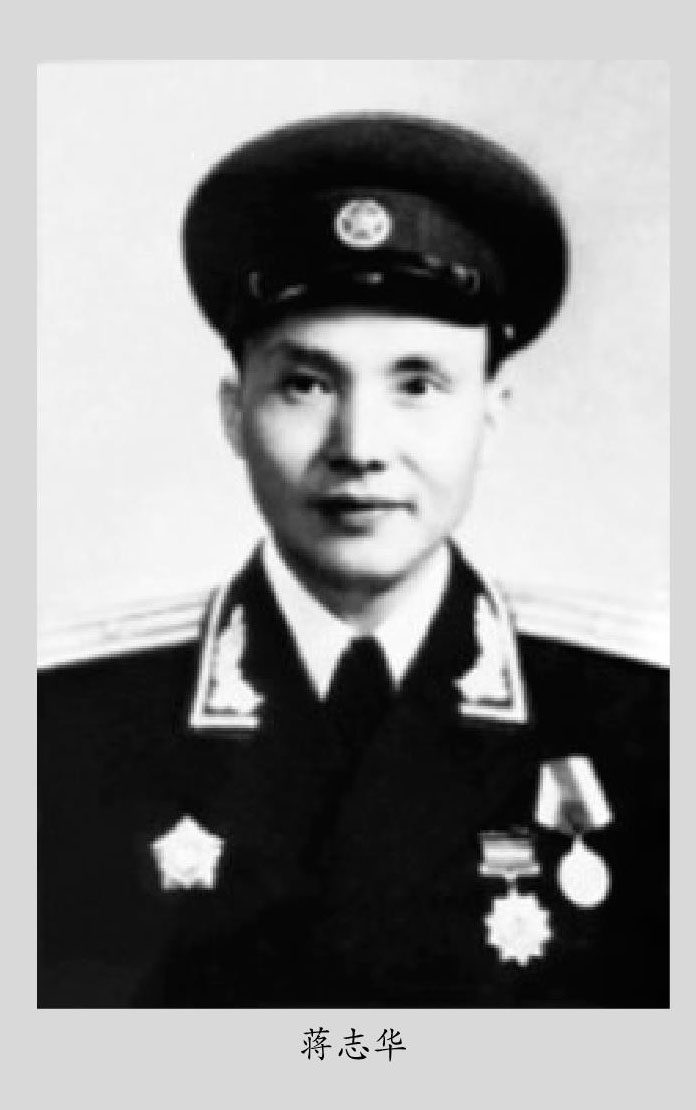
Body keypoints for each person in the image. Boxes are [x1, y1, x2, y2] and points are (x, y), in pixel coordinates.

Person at [37, 112, 668, 1007]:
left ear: (491, 412)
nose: (360, 446)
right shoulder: (59, 722)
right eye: (305, 384)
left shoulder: (645, 715)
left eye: (418, 385)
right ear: (234, 415)